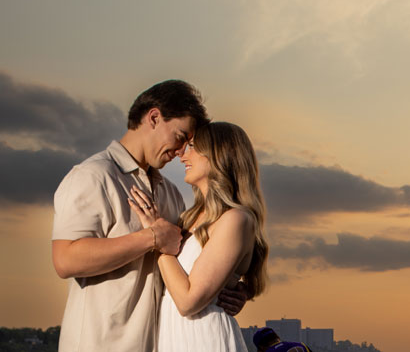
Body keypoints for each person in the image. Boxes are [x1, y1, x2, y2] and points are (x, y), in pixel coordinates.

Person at [51, 79, 247, 351]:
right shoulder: (93, 176)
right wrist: (151, 238)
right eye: (180, 137)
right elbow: (65, 259)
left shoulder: (172, 194)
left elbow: (193, 266)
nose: (181, 152)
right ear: (154, 117)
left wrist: (231, 291)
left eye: (188, 145)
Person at [129, 121, 269, 352]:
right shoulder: (188, 218)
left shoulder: (236, 219)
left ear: (218, 155)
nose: (183, 156)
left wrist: (159, 242)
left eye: (193, 147)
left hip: (205, 339)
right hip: (172, 338)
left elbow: (187, 302)